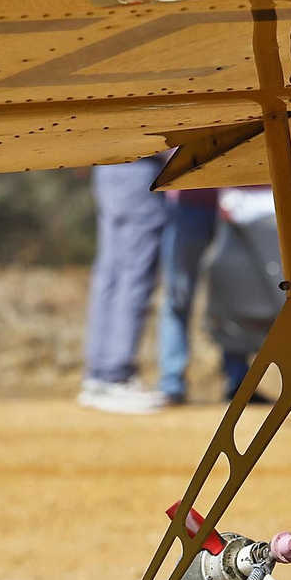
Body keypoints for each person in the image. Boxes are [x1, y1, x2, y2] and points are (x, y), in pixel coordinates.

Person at [77, 156, 170, 414]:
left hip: (109, 168)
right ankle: (115, 376)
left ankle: (98, 375)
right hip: (139, 169)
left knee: (111, 274)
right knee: (134, 277)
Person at [156, 187, 252, 403]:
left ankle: (238, 382)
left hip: (231, 204)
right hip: (185, 203)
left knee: (232, 296)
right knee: (178, 295)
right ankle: (171, 383)